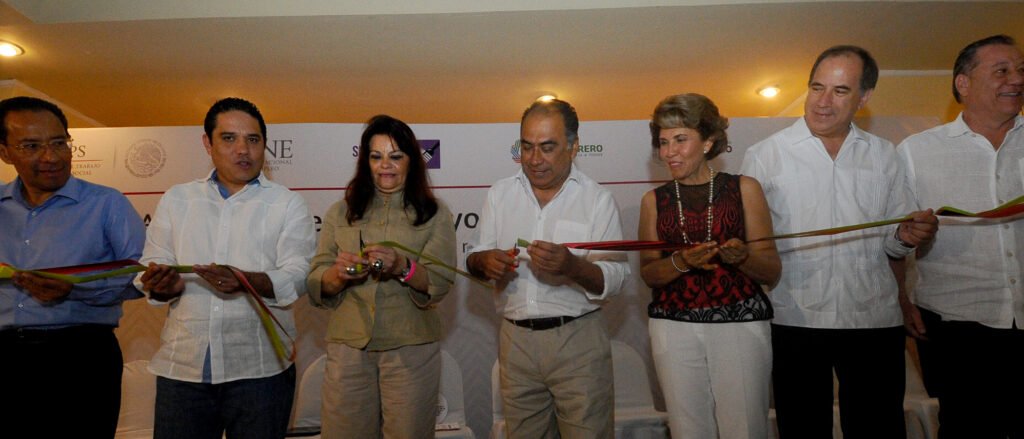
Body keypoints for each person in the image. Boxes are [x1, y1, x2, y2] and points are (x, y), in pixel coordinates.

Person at [740, 46, 938, 439]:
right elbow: (754, 247)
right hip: (794, 319)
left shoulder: (885, 155)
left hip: (873, 320)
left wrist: (906, 236)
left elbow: (893, 243)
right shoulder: (764, 156)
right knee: (802, 429)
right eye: (817, 87)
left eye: (840, 91)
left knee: (878, 430)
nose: (823, 101)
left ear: (864, 97)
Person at [136, 97, 315, 439]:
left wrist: (246, 281)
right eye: (229, 138)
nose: (243, 150)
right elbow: (151, 264)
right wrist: (163, 285)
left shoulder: (287, 203)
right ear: (208, 143)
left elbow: (298, 275)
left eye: (253, 139)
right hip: (183, 369)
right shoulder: (177, 199)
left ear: (265, 145)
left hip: (261, 370)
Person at [466, 99, 630, 438]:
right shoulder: (500, 194)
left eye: (547, 147)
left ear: (573, 147)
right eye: (526, 146)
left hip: (577, 339)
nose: (534, 158)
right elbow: (475, 257)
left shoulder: (597, 199)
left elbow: (616, 278)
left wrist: (572, 266)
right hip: (515, 341)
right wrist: (485, 262)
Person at [896, 34, 1024, 439]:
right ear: (963, 84)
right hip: (955, 322)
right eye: (1002, 71)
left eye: (1021, 70)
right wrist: (901, 300)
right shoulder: (916, 151)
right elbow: (894, 237)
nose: (1017, 79)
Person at [0, 96, 146, 438]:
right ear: (5, 153)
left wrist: (78, 289)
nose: (51, 157)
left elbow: (142, 276)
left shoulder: (106, 203)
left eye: (59, 143)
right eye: (32, 146)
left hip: (80, 356)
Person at [639, 93, 780, 439]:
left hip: (740, 323)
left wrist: (743, 257)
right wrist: (681, 261)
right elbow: (650, 273)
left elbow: (771, 270)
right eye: (663, 142)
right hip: (673, 326)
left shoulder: (744, 189)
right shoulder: (654, 201)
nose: (669, 152)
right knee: (687, 429)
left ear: (708, 142)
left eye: (680, 139)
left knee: (745, 428)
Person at [306, 115, 456, 438]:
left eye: (395, 156)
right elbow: (317, 280)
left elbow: (440, 281)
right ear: (366, 162)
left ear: (411, 161)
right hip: (349, 351)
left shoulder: (434, 213)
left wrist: (402, 267)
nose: (385, 165)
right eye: (376, 156)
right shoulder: (340, 212)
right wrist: (339, 274)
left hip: (410, 350)